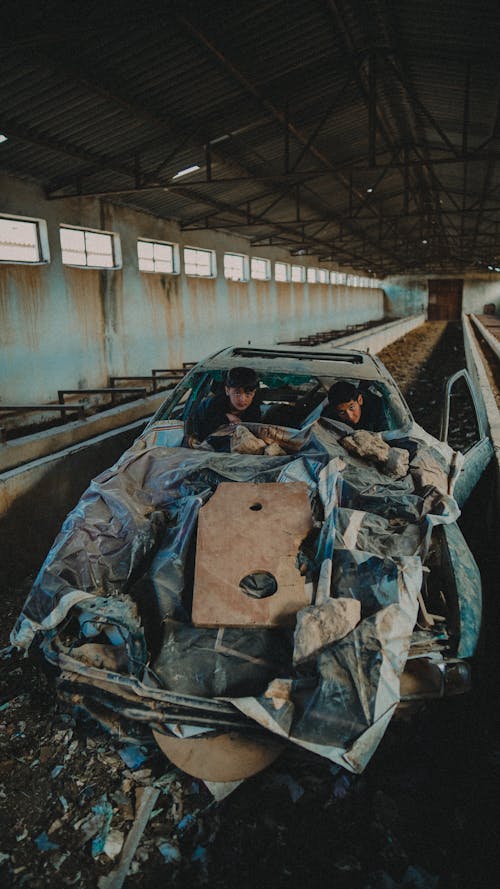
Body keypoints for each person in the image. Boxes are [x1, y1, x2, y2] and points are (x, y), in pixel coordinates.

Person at [190, 366, 261, 442]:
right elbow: (201, 434)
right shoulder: (210, 406)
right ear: (227, 390)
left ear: (254, 393)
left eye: (248, 394)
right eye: (237, 393)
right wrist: (225, 418)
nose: (242, 399)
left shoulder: (254, 411)